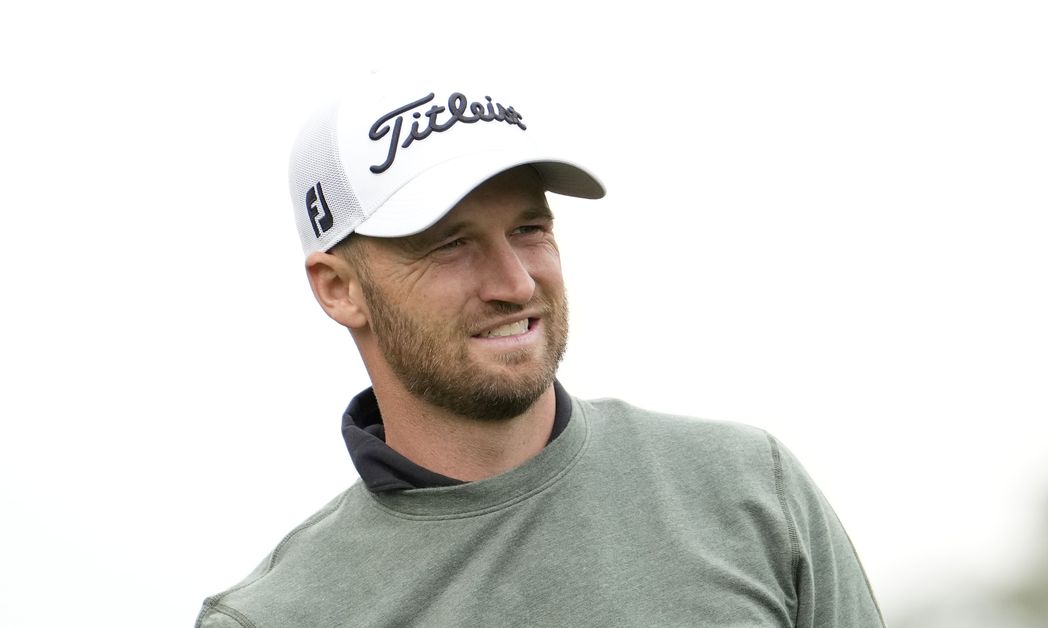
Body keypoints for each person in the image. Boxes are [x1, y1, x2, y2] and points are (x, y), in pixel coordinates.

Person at [195, 78, 886, 628]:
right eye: (450, 244)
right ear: (339, 288)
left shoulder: (746, 490)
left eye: (529, 229)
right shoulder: (279, 616)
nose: (517, 283)